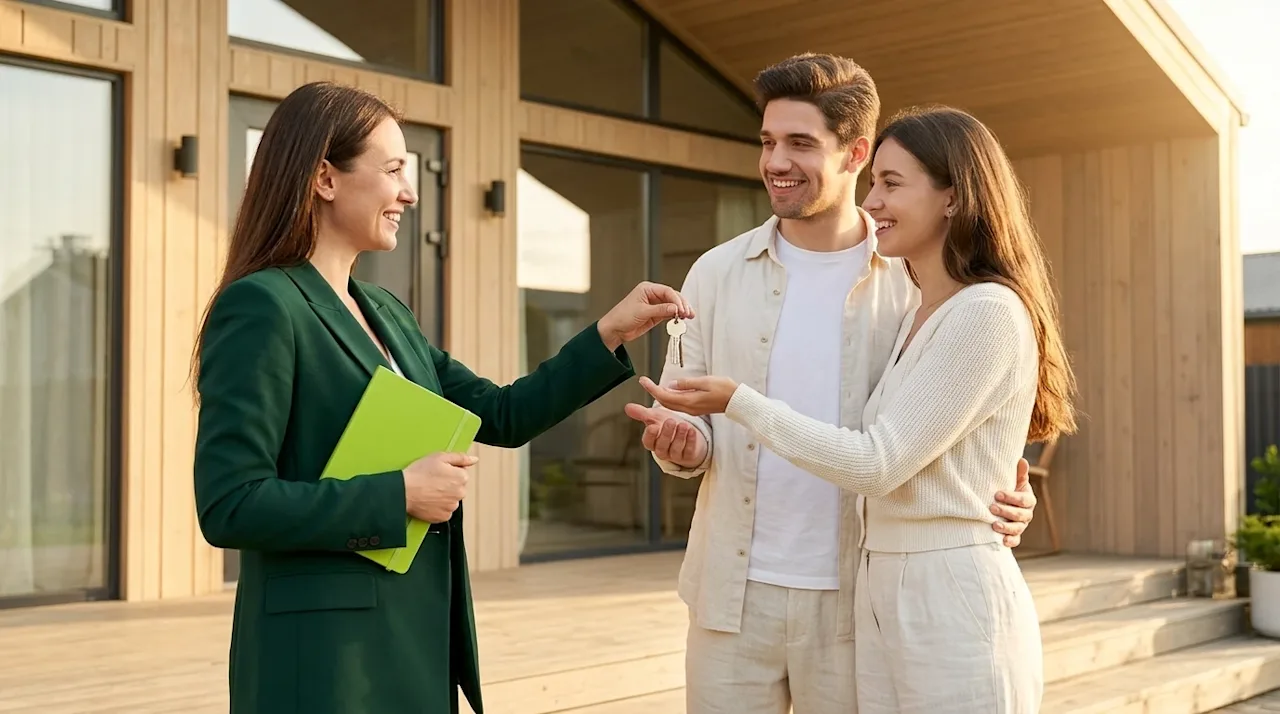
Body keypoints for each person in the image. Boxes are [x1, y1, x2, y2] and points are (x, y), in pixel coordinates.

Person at [190, 81, 692, 714]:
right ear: (324, 178)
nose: (410, 192)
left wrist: (608, 333)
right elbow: (231, 503)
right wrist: (398, 494)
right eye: (394, 169)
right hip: (322, 657)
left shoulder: (384, 310)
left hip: (411, 640)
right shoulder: (263, 306)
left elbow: (501, 414)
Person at [622, 54, 1042, 714]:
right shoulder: (715, 273)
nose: (776, 162)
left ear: (855, 154)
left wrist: (992, 509)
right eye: (767, 141)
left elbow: (926, 442)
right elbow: (690, 423)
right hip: (731, 596)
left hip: (858, 605)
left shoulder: (920, 286)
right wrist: (684, 446)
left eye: (800, 143)